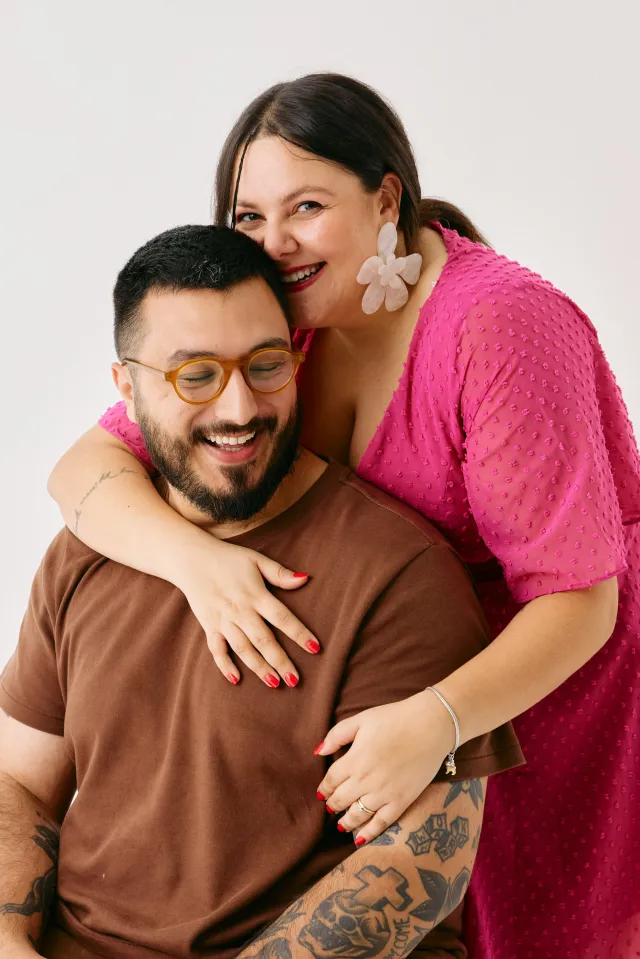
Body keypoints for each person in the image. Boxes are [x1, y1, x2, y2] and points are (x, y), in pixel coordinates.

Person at [47, 74, 640, 959]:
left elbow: (580, 599)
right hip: (388, 683)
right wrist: (197, 565)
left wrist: (438, 721)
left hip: (543, 685)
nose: (275, 241)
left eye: (307, 206)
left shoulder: (501, 327)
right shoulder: (277, 324)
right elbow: (84, 468)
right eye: (248, 216)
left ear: (385, 198)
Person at [0, 224, 524, 959]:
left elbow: (418, 865)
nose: (239, 408)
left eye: (265, 364)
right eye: (197, 376)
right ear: (127, 386)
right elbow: (18, 780)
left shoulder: (399, 574)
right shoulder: (87, 551)